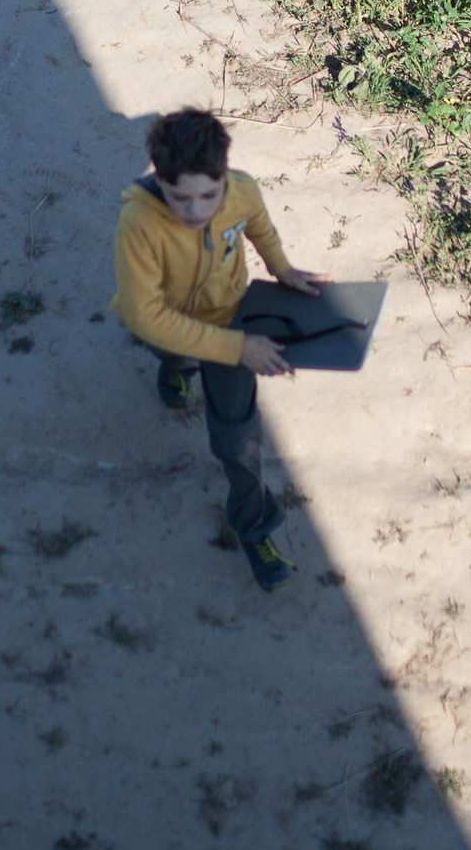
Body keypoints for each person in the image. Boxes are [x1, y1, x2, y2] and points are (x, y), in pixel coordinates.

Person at [109, 108, 324, 592]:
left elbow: (258, 224)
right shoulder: (138, 222)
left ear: (225, 173)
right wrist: (237, 348)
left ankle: (254, 529)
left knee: (239, 441)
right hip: (170, 324)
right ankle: (177, 366)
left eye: (209, 195)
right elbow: (146, 316)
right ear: (159, 180)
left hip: (230, 317)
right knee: (172, 352)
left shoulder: (242, 190)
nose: (196, 210)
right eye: (180, 198)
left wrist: (282, 268)